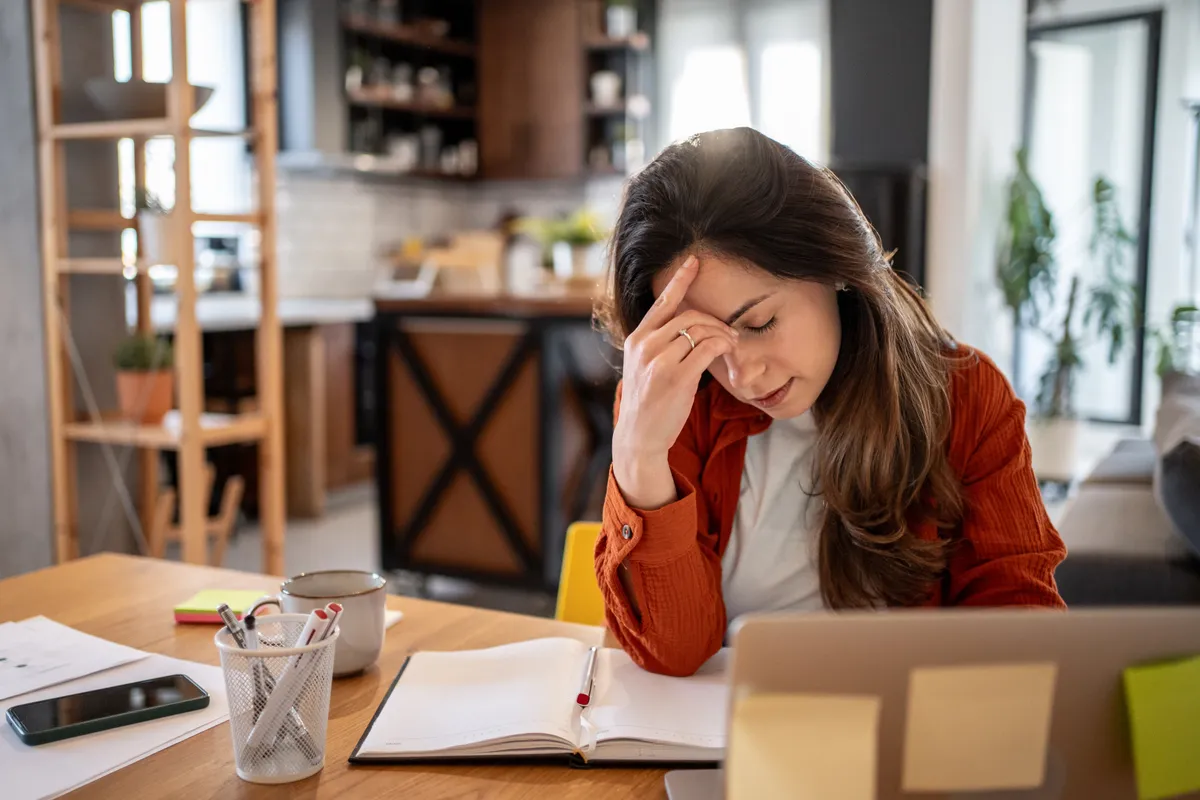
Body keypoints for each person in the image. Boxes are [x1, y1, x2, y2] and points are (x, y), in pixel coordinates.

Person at [595, 128, 1066, 677]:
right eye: (703, 343)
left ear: (835, 270)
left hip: (901, 746)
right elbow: (675, 653)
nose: (742, 374)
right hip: (725, 742)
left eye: (760, 322)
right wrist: (639, 460)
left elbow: (1021, 636)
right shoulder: (677, 397)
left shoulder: (966, 396)